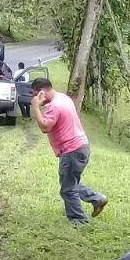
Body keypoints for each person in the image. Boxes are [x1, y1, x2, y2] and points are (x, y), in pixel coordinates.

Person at [30, 77, 107, 226]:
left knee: (67, 189)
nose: (34, 98)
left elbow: (45, 127)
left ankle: (80, 222)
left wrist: (36, 107)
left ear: (41, 92)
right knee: (70, 183)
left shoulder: (54, 106)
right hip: (80, 147)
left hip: (72, 150)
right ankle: (98, 199)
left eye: (35, 94)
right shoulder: (63, 98)